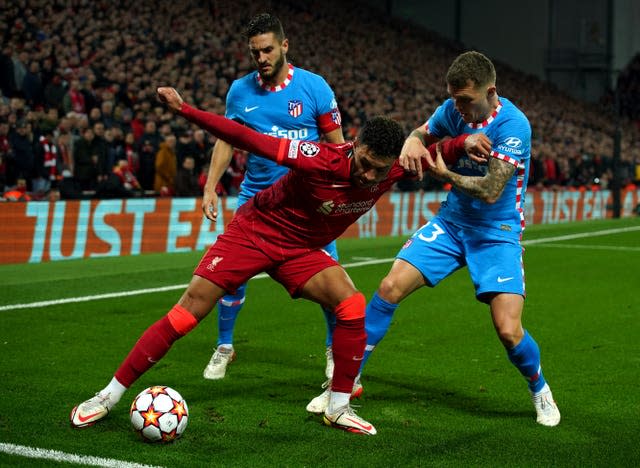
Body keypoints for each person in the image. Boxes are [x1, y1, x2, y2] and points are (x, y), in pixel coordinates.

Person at [69, 85, 483, 436]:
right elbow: (248, 138)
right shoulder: (318, 158)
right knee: (187, 313)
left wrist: (463, 142)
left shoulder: (393, 168)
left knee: (352, 305)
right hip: (255, 233)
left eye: (380, 170)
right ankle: (109, 395)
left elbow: (439, 149)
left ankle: (337, 406)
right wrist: (185, 111)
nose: (371, 177)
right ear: (354, 145)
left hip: (301, 251)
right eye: (367, 164)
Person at [307, 51, 561, 427]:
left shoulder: (514, 125)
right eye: (454, 98)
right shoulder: (452, 110)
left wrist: (445, 172)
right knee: (390, 287)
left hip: (497, 233)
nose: (458, 107)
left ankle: (539, 388)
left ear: (490, 92)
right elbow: (422, 133)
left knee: (508, 330)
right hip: (452, 224)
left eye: (465, 100)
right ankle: (347, 383)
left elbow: (491, 189)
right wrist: (412, 139)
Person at [200, 13, 346, 382]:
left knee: (331, 281)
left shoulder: (315, 89)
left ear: (284, 46)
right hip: (256, 201)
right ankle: (224, 346)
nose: (261, 58)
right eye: (255, 52)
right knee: (231, 277)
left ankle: (333, 349)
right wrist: (210, 185)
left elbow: (337, 149)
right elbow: (227, 139)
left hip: (307, 206)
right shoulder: (240, 91)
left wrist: (337, 196)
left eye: (267, 49)